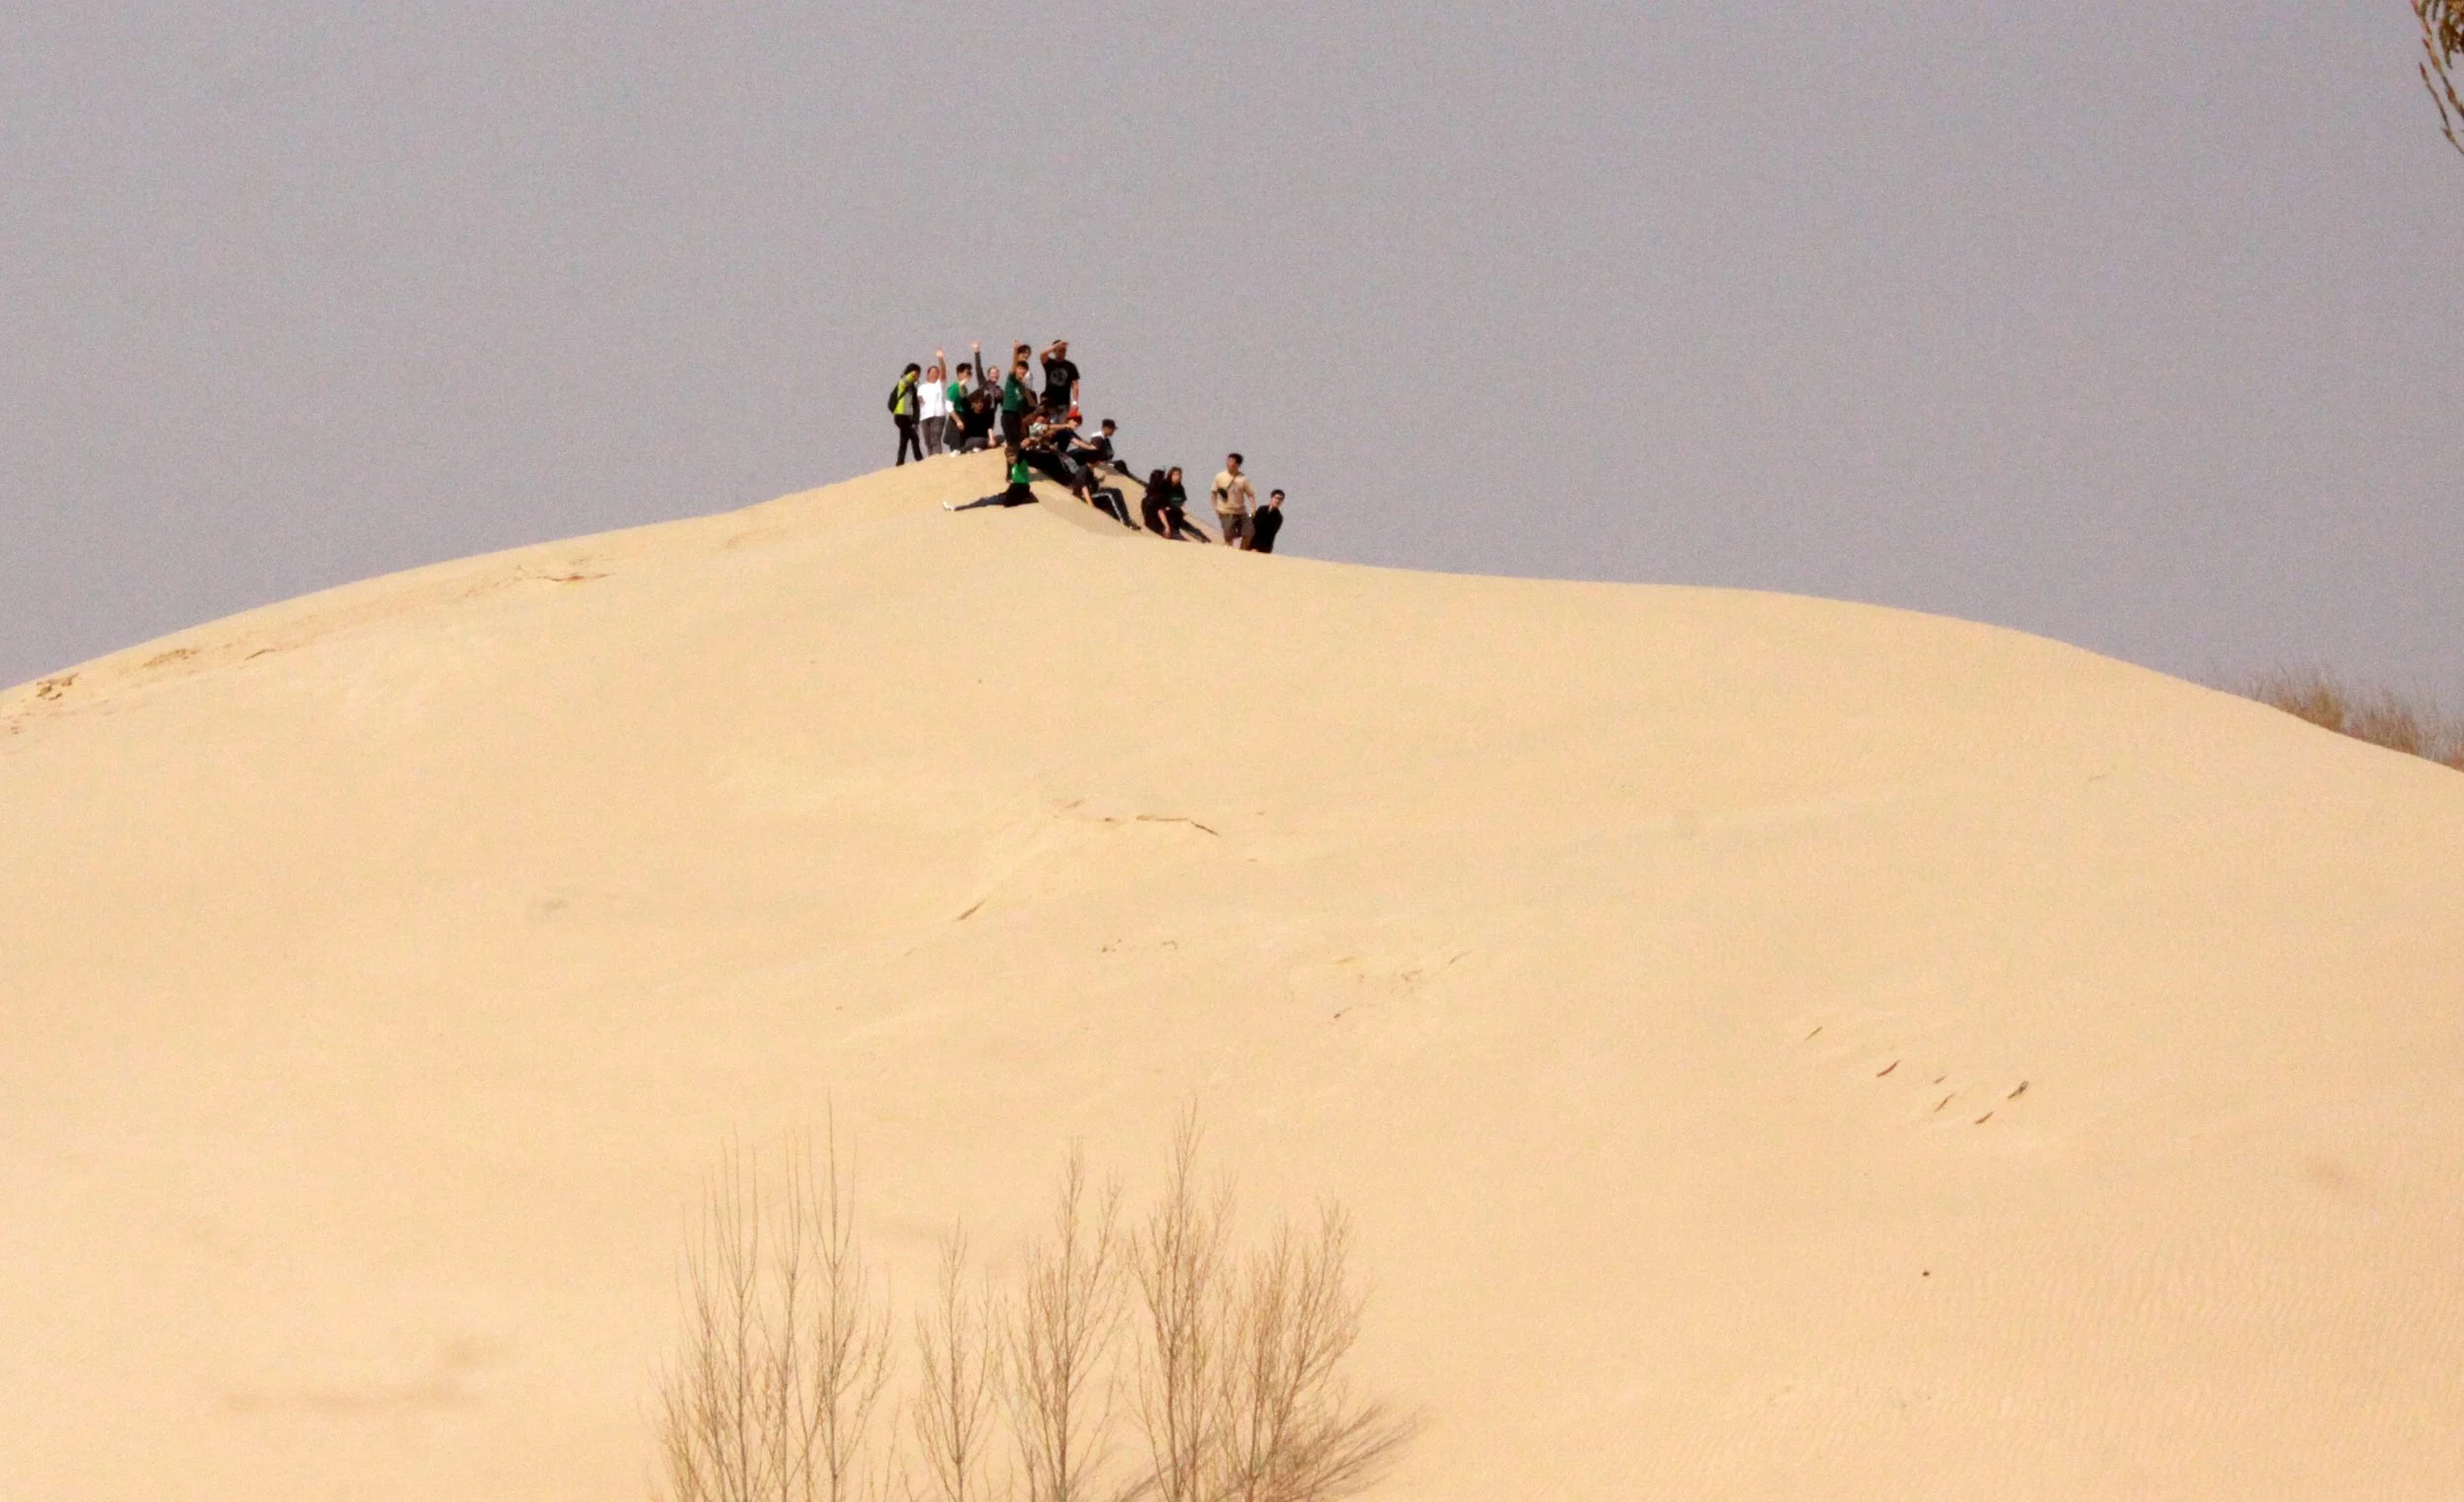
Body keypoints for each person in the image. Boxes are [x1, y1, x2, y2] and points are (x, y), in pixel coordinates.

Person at [945, 445, 1039, 511]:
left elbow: (1021, 454)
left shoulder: (1021, 463)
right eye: (1008, 456)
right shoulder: (1014, 467)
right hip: (1015, 489)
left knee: (1001, 502)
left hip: (1021, 489)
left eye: (1012, 455)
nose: (1010, 458)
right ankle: (958, 508)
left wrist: (1022, 446)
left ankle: (1029, 498)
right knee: (987, 500)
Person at [1211, 452, 1255, 549]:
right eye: (1228, 460)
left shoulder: (1243, 479)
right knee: (1228, 536)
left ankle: (1242, 552)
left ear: (1237, 464)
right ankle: (1229, 553)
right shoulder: (1220, 476)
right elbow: (1213, 493)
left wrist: (1253, 509)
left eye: (1231, 461)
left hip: (1241, 512)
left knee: (1249, 533)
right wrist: (1216, 508)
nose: (1228, 463)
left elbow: (1251, 495)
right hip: (1226, 511)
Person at [918, 352, 953, 457]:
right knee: (928, 441)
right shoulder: (922, 387)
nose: (934, 374)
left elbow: (943, 373)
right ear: (928, 374)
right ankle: (931, 459)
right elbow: (918, 397)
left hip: (938, 415)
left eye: (936, 372)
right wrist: (919, 399)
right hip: (924, 416)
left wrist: (941, 359)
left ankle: (937, 458)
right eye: (932, 372)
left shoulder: (939, 385)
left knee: (935, 437)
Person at [890, 364, 924, 466]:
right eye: (917, 374)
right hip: (900, 415)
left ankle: (900, 461)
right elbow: (905, 380)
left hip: (907, 417)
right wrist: (912, 374)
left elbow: (915, 405)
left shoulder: (913, 388)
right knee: (914, 437)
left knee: (904, 439)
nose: (917, 376)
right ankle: (919, 458)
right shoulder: (902, 383)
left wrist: (915, 421)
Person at [999, 358, 1033, 449]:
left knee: (1019, 443)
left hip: (1017, 417)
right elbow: (1013, 366)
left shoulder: (1021, 387)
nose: (1022, 371)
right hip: (1008, 415)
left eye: (1024, 369)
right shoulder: (1011, 380)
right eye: (1020, 368)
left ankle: (1021, 463)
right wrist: (1015, 350)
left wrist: (1022, 425)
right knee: (1012, 444)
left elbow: (1020, 406)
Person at [1040, 340, 1079, 415]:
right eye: (1060, 350)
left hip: (1064, 404)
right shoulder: (1049, 363)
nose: (1063, 352)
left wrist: (1075, 403)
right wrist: (1057, 345)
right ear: (1054, 351)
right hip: (1049, 402)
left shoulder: (1071, 366)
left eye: (1064, 350)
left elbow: (1075, 386)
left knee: (1062, 425)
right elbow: (1042, 354)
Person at [1250, 489, 1286, 553]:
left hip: (1263, 547)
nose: (1278, 501)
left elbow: (1269, 534)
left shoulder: (1278, 517)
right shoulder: (1261, 509)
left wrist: (1257, 548)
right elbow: (1252, 522)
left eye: (1281, 499)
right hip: (1250, 542)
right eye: (1277, 498)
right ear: (1272, 498)